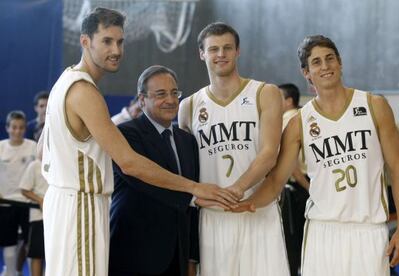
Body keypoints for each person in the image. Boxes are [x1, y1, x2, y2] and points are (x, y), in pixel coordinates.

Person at [38, 8, 237, 276]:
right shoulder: (84, 91)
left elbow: (42, 149)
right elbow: (129, 163)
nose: (116, 50)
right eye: (107, 41)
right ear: (85, 42)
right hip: (80, 204)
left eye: (120, 42)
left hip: (65, 203)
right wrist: (194, 187)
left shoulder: (64, 81)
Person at [234, 35, 399, 276]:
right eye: (316, 62)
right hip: (322, 230)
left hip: (369, 229)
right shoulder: (299, 122)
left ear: (340, 63)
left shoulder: (373, 105)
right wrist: (247, 203)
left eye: (330, 59)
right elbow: (276, 181)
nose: (325, 66)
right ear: (306, 72)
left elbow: (398, 170)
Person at [178, 22, 290, 276]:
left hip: (257, 207)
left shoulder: (265, 92)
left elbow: (269, 153)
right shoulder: (189, 106)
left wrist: (237, 188)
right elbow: (186, 167)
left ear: (237, 51)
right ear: (202, 54)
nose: (221, 54)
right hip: (213, 215)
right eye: (214, 49)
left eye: (227, 48)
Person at [109, 65, 199, 276]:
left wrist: (192, 254)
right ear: (142, 100)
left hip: (177, 254)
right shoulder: (125, 134)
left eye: (174, 93)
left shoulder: (187, 141)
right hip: (134, 253)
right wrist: (195, 196)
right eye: (160, 94)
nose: (170, 99)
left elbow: (190, 211)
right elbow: (148, 183)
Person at [0, 111, 36, 276]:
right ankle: (11, 273)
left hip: (29, 204)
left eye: (21, 127)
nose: (17, 131)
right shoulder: (0, 148)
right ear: (7, 128)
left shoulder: (33, 147)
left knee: (30, 244)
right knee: (9, 244)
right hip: (6, 203)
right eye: (14, 127)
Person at [279, 83, 309, 276]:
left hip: (297, 187)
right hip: (307, 184)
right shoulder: (305, 117)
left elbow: (290, 164)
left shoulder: (287, 120)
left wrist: (307, 188)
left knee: (292, 242)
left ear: (289, 101)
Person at [19, 156, 48, 276]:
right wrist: (41, 201)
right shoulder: (35, 165)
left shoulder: (62, 162)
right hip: (38, 217)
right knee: (37, 254)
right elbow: (24, 189)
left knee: (55, 253)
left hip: (58, 218)